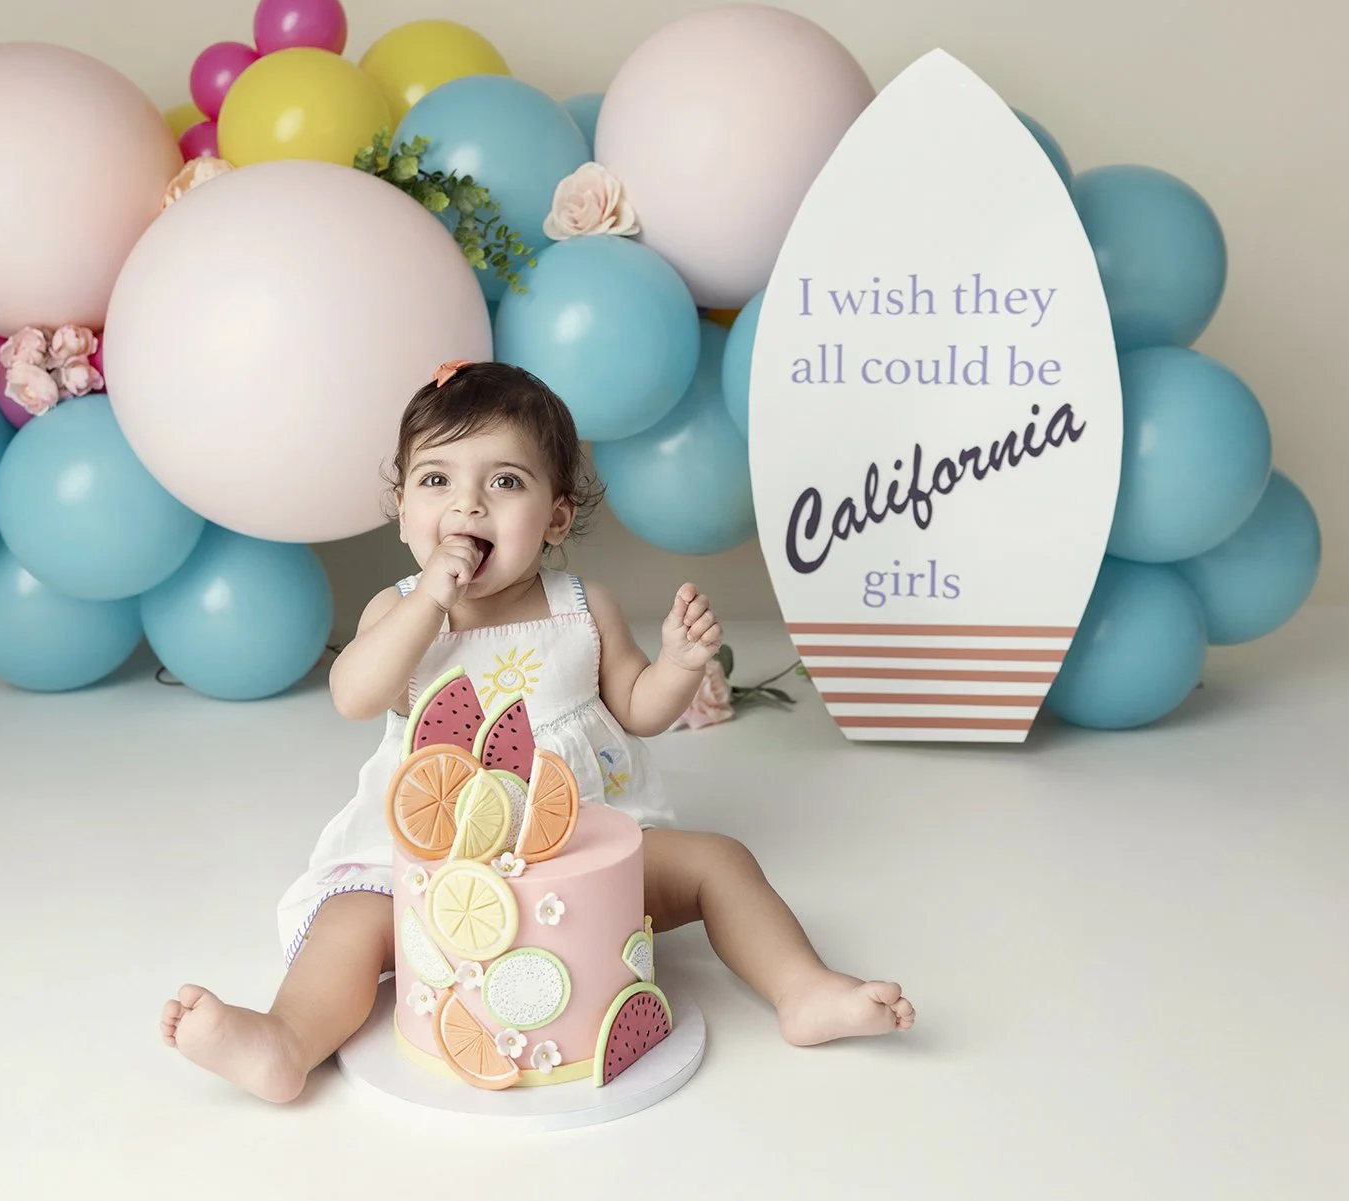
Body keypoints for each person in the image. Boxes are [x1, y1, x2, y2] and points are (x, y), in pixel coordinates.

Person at [160, 360, 914, 1102]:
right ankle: (287, 1039)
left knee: (721, 860)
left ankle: (803, 987)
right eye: (436, 480)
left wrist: (681, 665)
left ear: (555, 516)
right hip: (434, 868)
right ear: (400, 507)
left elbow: (638, 707)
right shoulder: (398, 612)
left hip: (587, 849)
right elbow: (354, 695)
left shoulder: (584, 609)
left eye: (505, 481)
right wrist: (428, 602)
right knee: (352, 923)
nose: (468, 506)